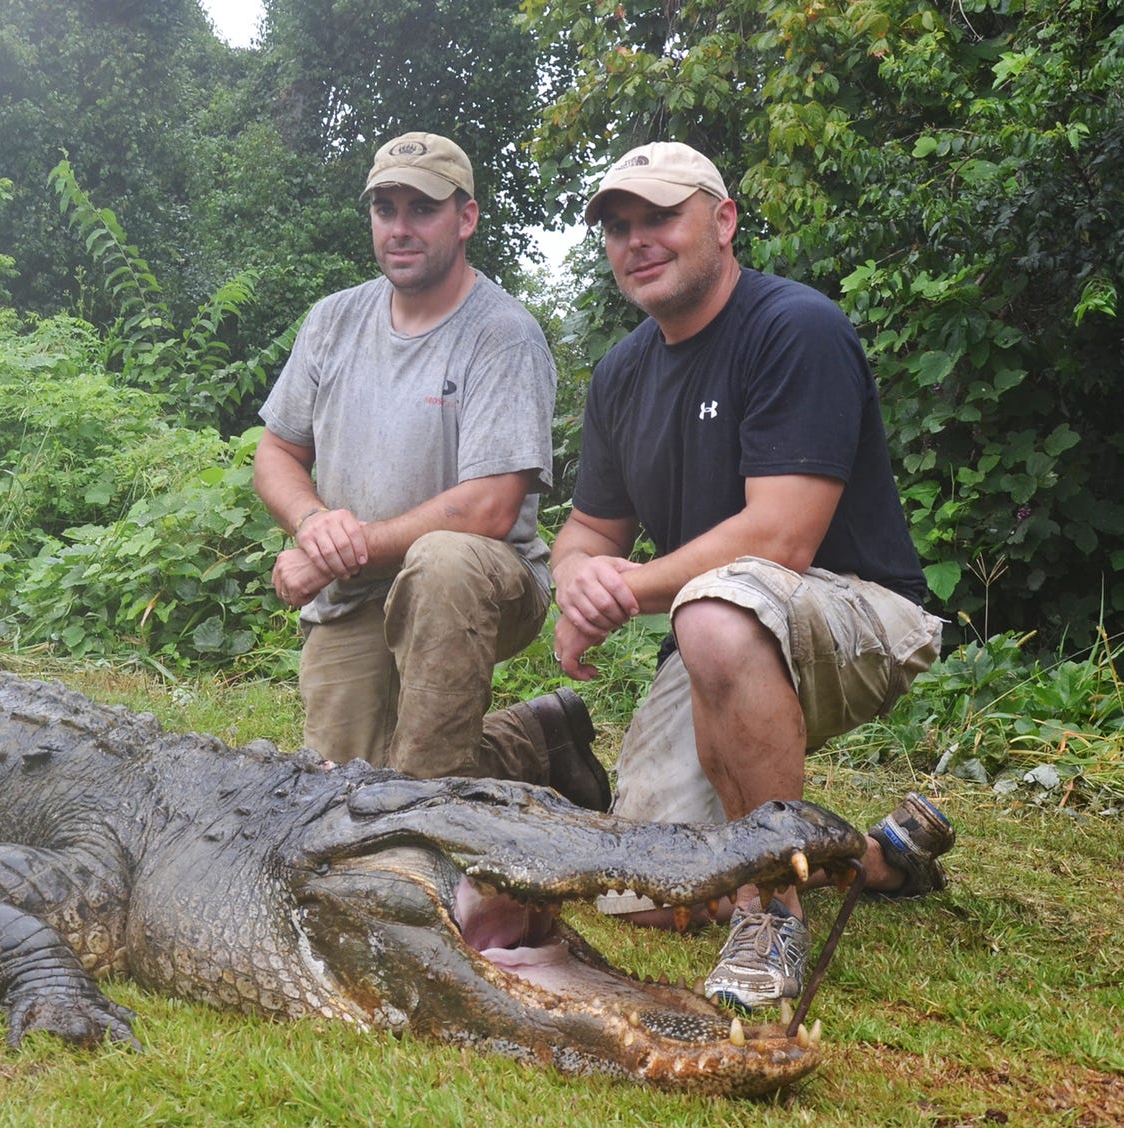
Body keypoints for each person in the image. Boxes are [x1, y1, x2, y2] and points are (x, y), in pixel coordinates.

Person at [554, 141, 955, 1013]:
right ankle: (878, 857)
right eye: (618, 227)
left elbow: (781, 535)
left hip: (859, 614)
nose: (636, 240)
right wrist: (574, 581)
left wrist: (628, 584)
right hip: (721, 627)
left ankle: (769, 909)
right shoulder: (621, 373)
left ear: (723, 220)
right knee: (647, 895)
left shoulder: (793, 327)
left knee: (710, 612)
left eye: (659, 216)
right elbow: (587, 530)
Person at [253, 131, 609, 811]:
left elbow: (489, 509)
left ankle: (424, 831)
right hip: (356, 592)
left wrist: (336, 553)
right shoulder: (333, 320)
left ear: (465, 217)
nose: (400, 228)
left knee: (441, 567)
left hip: (479, 582)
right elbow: (276, 453)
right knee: (334, 792)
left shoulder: (501, 334)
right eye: (385, 209)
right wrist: (310, 524)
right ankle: (535, 738)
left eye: (422, 208)